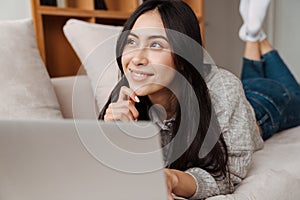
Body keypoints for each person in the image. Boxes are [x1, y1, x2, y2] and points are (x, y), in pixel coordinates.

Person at [99, 0, 263, 199]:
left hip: (263, 113)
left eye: (156, 44)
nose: (137, 59)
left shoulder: (223, 89)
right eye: (131, 41)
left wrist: (173, 179)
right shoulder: (125, 95)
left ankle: (256, 37)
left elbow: (227, 176)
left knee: (277, 89)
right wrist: (113, 137)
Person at [239, 0, 300, 140]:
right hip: (247, 90)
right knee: (250, 85)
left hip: (267, 103)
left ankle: (254, 33)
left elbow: (246, 138)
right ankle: (254, 34)